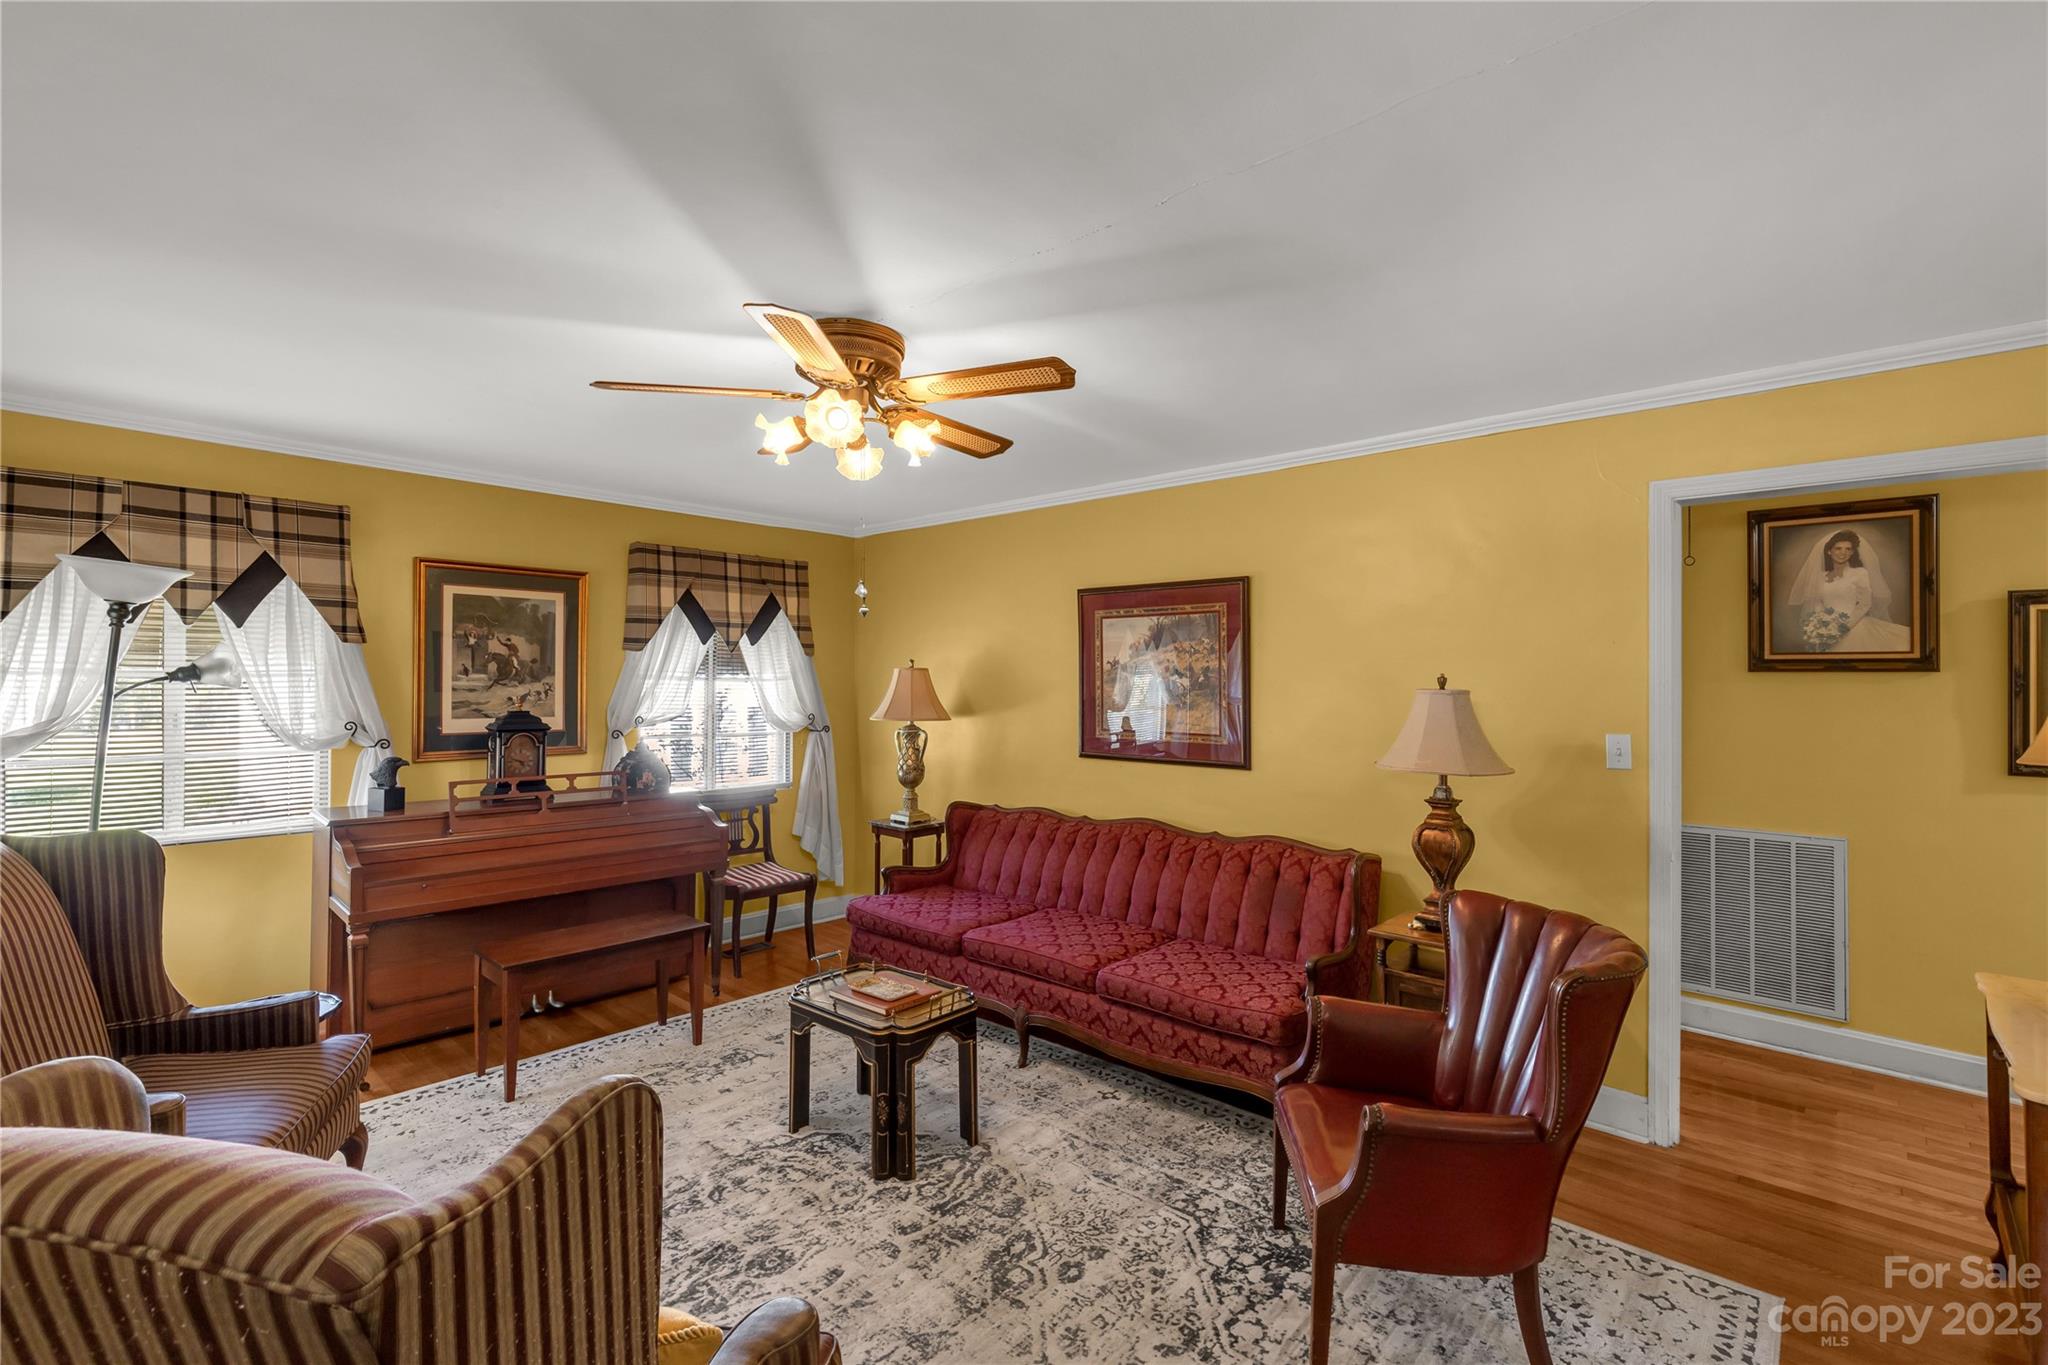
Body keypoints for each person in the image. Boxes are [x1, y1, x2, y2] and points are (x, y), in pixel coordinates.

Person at [1785, 527, 1910, 653]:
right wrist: (1821, 626)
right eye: (1838, 548)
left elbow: (1865, 604)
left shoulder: (1859, 573)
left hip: (1855, 626)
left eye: (1848, 549)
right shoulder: (1821, 576)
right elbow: (1818, 603)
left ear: (1852, 553)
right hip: (1827, 630)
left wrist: (1843, 628)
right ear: (1829, 551)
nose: (1843, 553)